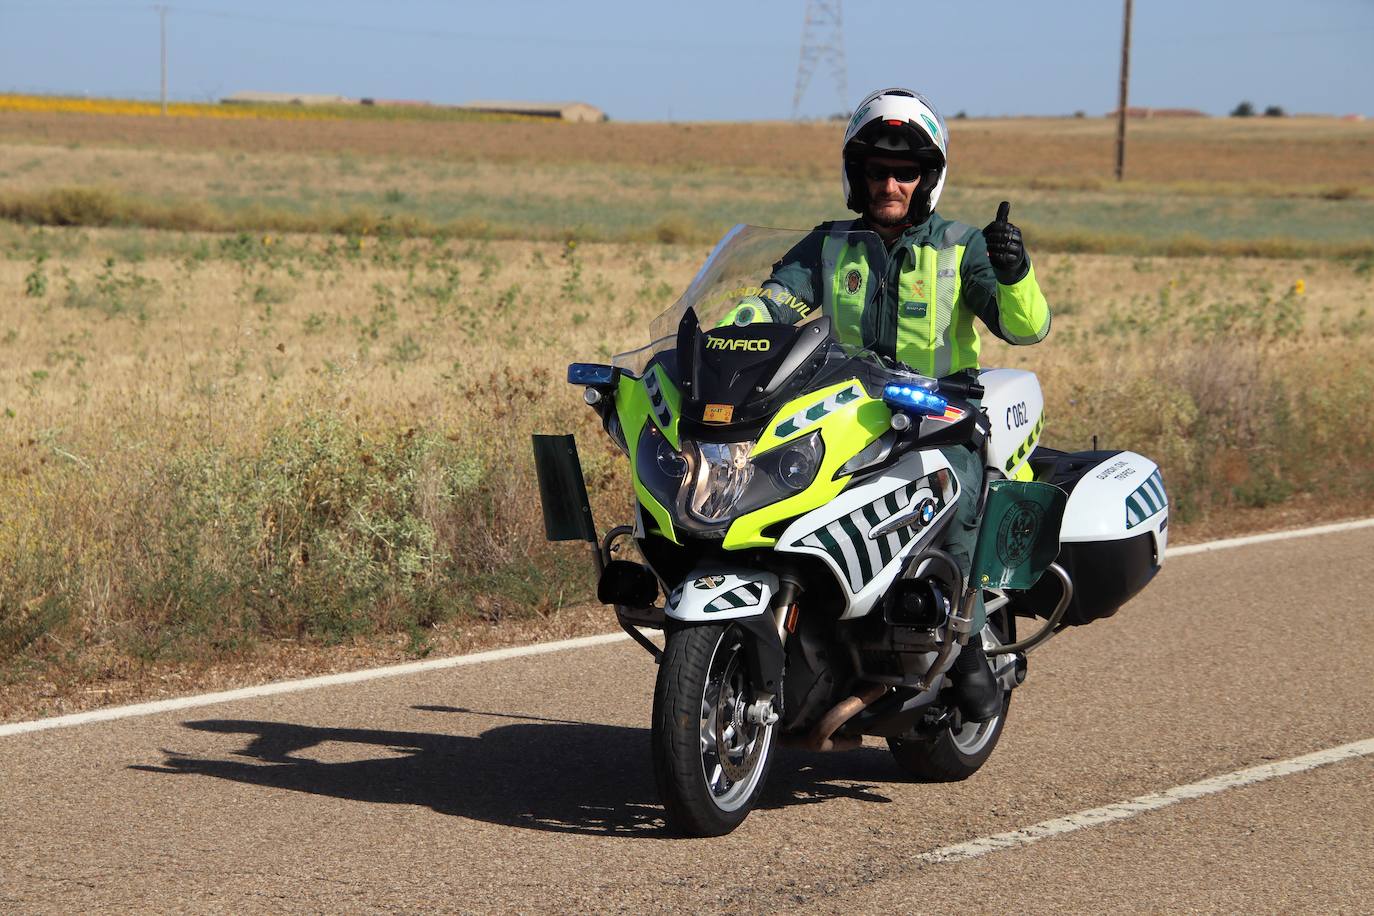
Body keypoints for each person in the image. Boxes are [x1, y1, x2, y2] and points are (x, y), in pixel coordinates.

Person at [733, 88, 1051, 722]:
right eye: (877, 170)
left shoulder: (962, 247)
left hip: (938, 419)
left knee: (953, 493)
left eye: (905, 172)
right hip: (848, 414)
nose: (890, 184)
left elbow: (1026, 328)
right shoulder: (828, 246)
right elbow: (770, 305)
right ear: (857, 175)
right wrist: (724, 343)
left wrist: (1016, 274)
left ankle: (961, 648)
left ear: (927, 178)